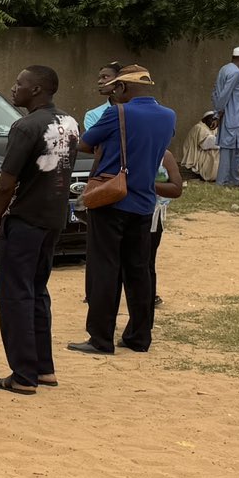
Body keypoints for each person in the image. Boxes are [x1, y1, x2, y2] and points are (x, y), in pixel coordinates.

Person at [70, 66, 178, 357]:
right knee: (139, 271)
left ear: (122, 89)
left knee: (105, 268)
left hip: (111, 200)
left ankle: (101, 338)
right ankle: (139, 337)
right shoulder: (169, 116)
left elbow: (84, 144)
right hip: (144, 203)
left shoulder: (117, 114)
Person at [0, 67, 79, 395]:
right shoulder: (69, 123)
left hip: (25, 220)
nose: (14, 89)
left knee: (16, 296)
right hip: (53, 219)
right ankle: (44, 369)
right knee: (38, 291)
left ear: (37, 89)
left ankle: (23, 375)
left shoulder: (25, 127)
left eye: (20, 84)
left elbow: (6, 183)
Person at [213, 46, 239, 187]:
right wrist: (218, 112)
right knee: (228, 150)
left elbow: (216, 92)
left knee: (235, 151)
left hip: (231, 116)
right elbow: (223, 95)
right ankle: (222, 182)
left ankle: (234, 180)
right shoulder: (235, 73)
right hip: (234, 117)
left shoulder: (225, 69)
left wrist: (218, 112)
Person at [178, 110, 223, 181]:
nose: (213, 121)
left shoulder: (213, 128)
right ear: (204, 120)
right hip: (197, 155)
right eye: (211, 119)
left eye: (215, 119)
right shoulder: (199, 127)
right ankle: (212, 175)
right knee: (217, 153)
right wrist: (226, 142)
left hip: (204, 152)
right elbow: (205, 144)